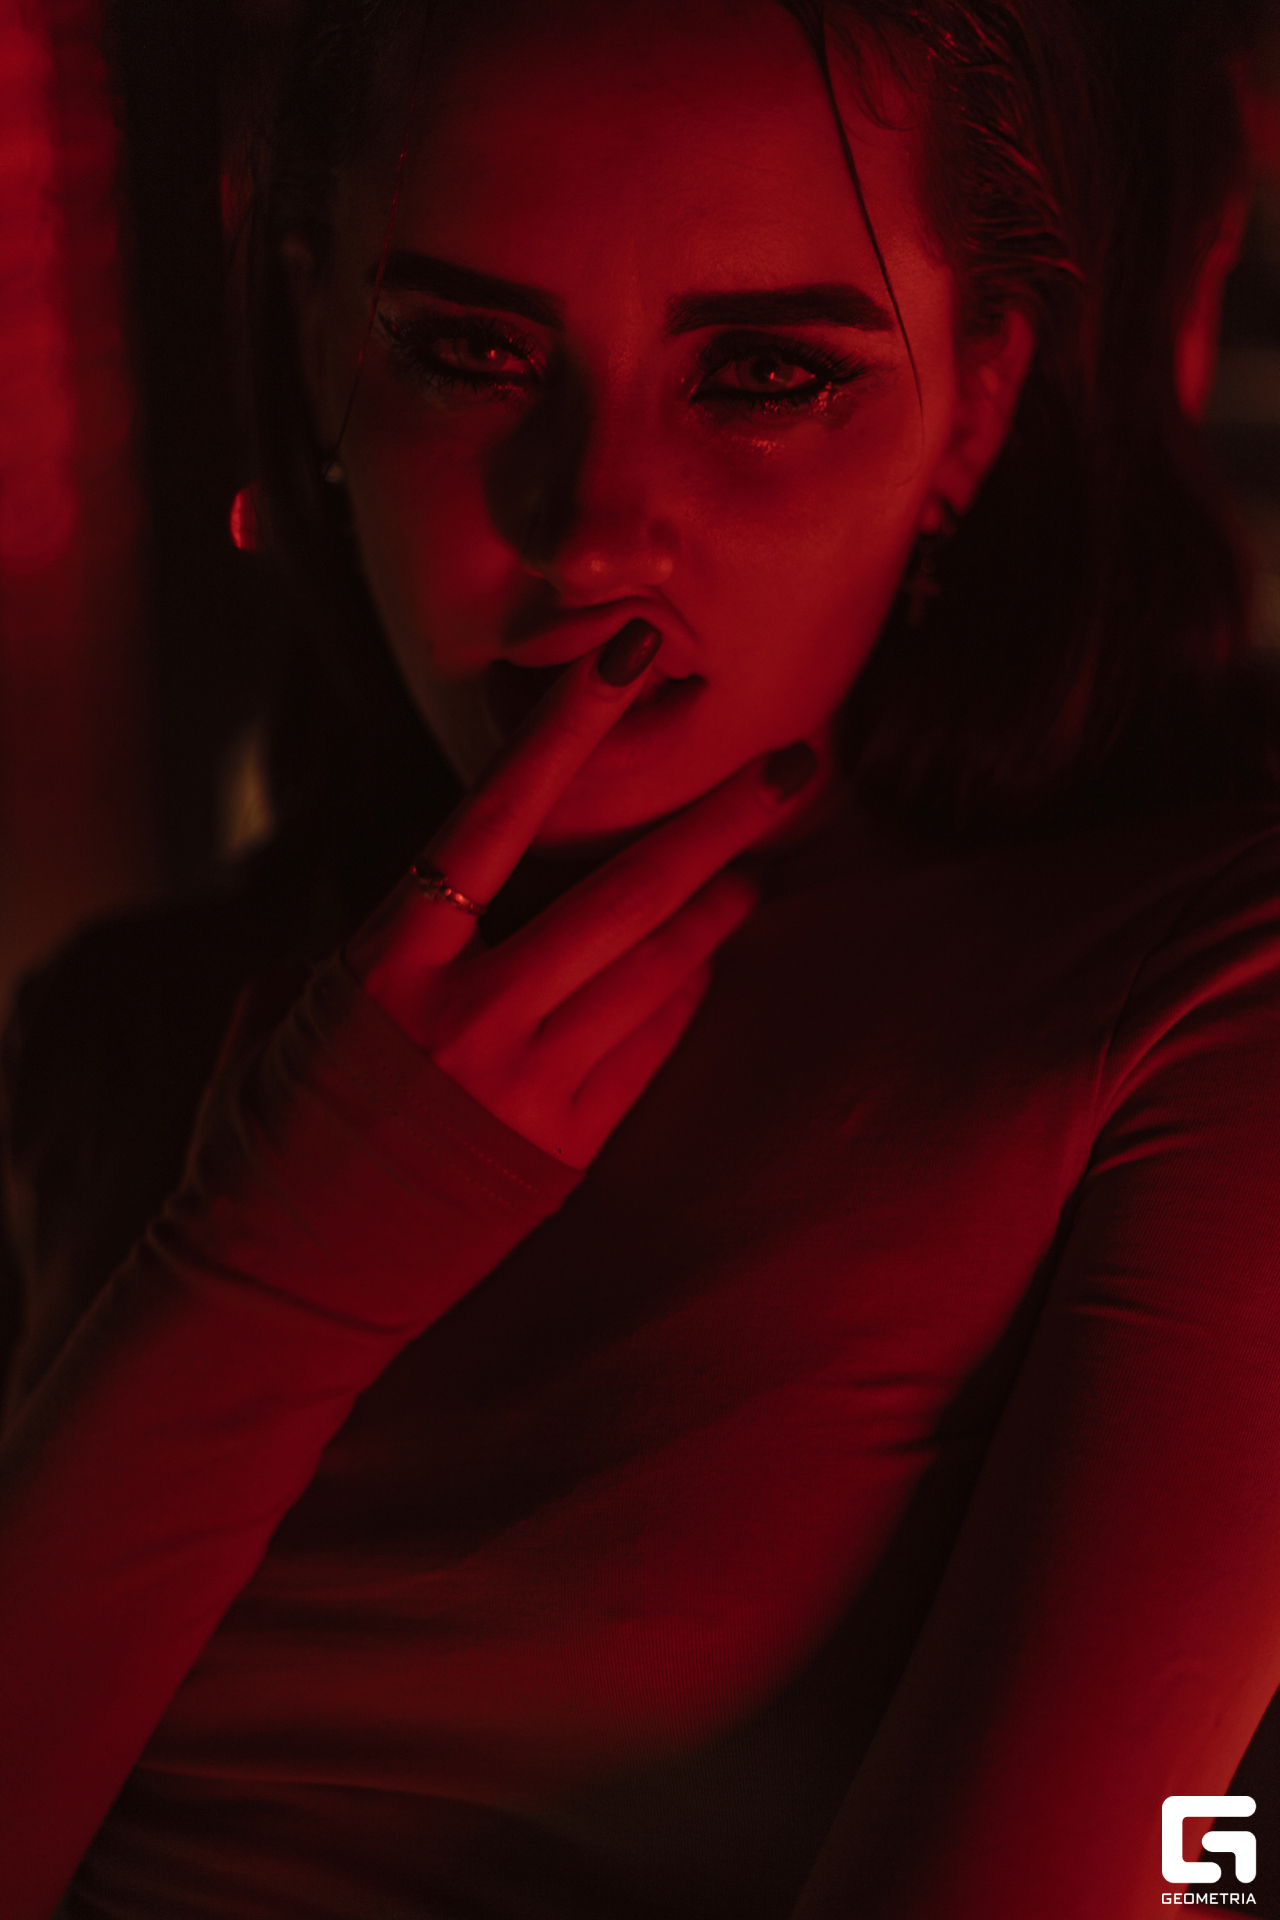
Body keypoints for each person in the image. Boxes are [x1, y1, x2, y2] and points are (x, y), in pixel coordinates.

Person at [3, 0, 1280, 1915]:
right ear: (320, 342)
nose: (591, 529)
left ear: (977, 404)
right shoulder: (131, 1029)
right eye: (470, 351)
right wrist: (260, 1282)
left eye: (766, 376)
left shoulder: (1199, 1005)